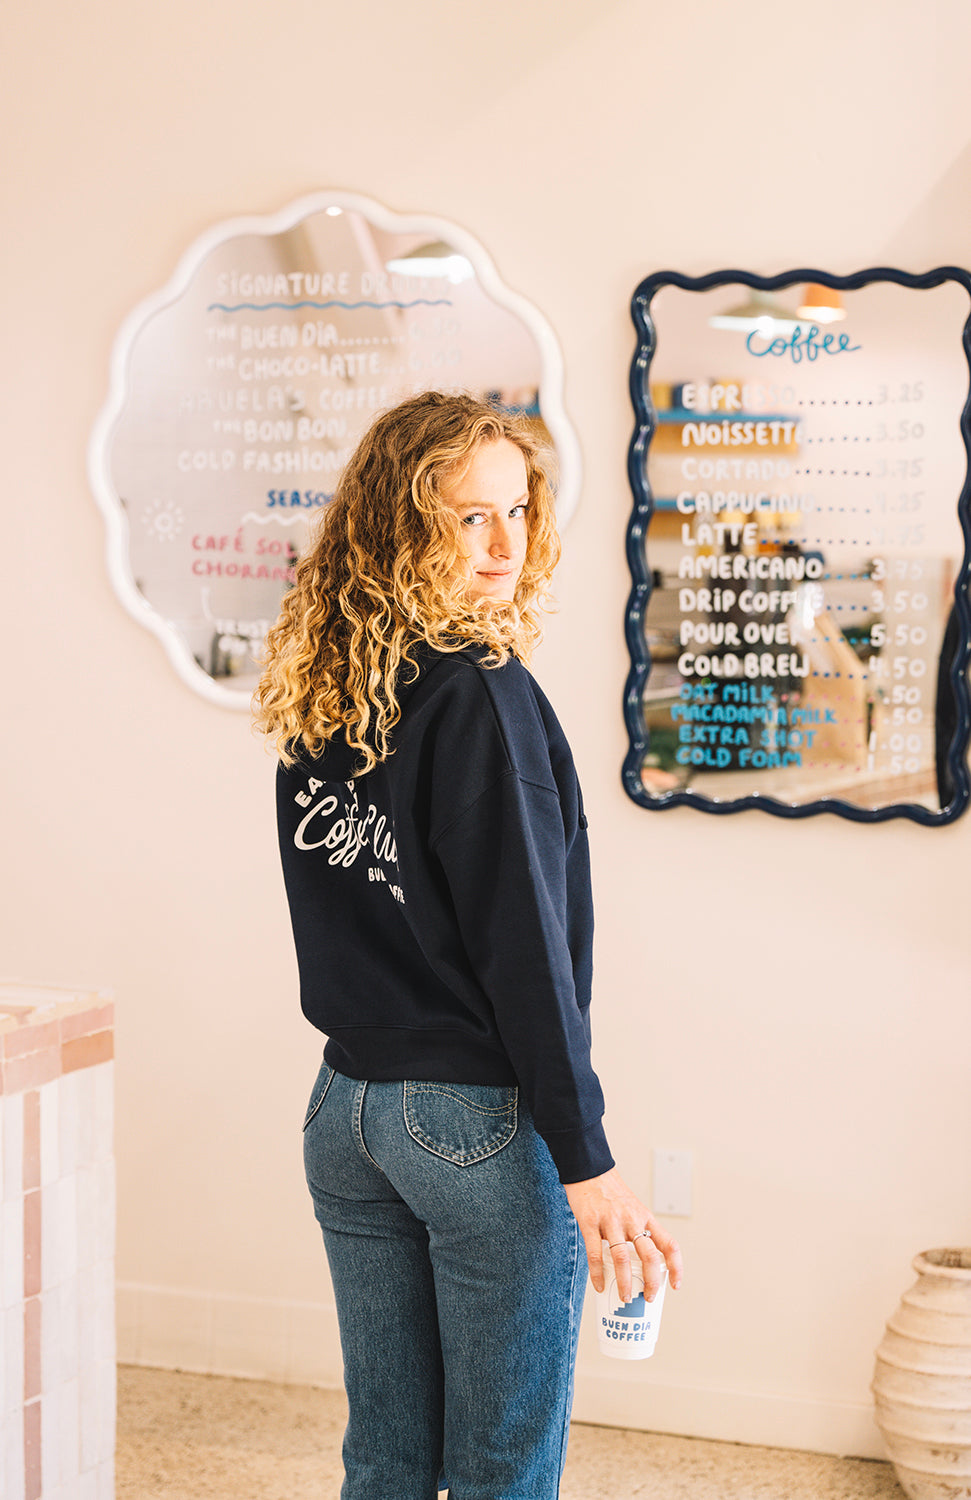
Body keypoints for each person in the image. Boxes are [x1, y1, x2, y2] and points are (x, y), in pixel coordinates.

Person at [256, 390, 683, 1500]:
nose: (505, 545)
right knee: (501, 1475)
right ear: (403, 529)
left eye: (518, 512)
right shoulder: (483, 697)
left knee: (386, 1462)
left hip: (345, 1114)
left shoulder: (329, 691)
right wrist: (582, 1155)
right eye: (467, 520)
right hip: (470, 1128)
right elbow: (523, 949)